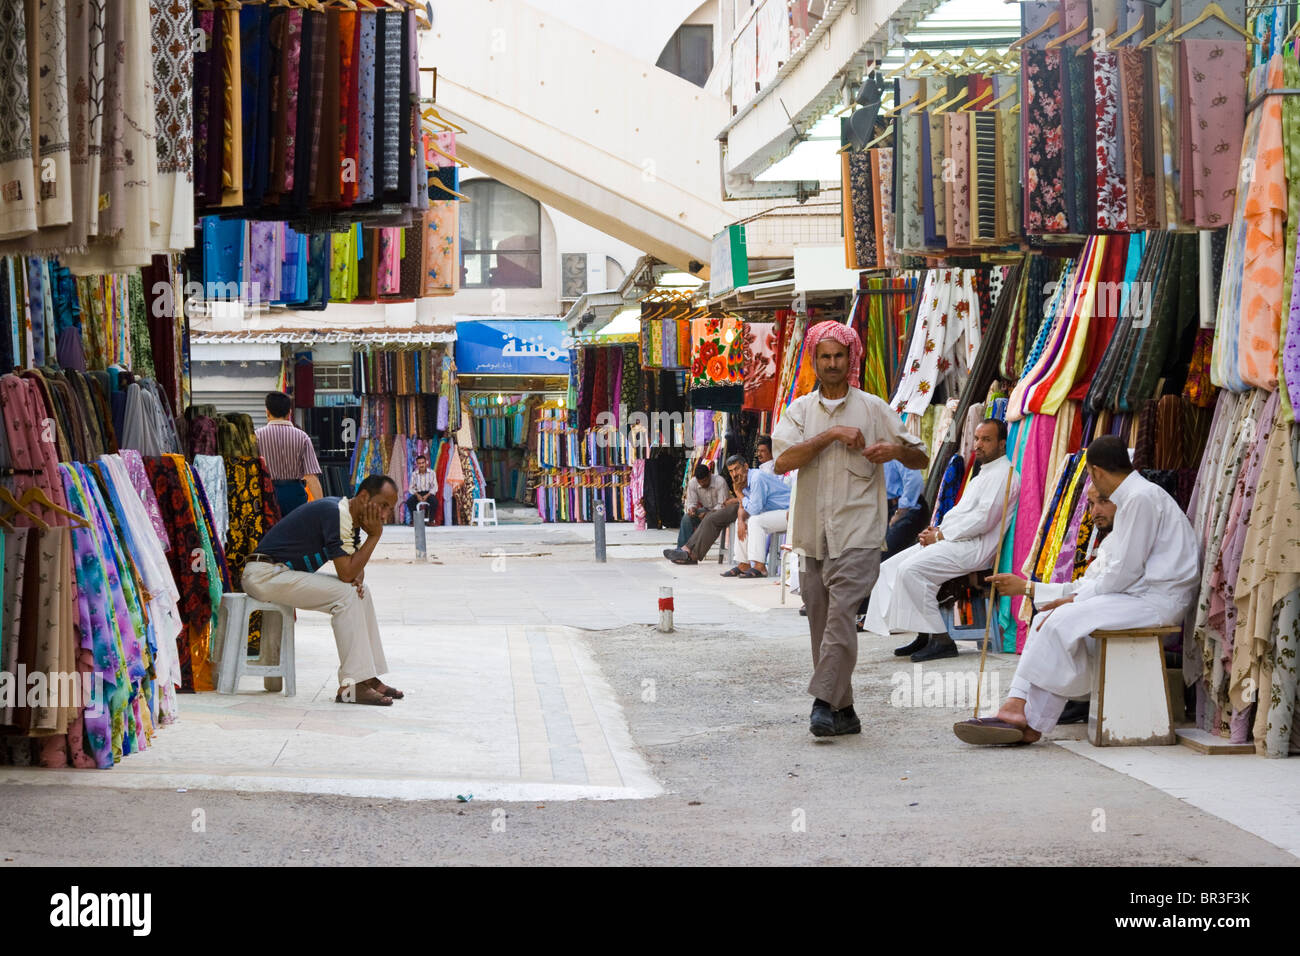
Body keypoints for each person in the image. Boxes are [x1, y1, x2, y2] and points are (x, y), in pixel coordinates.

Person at [954, 437, 1200, 745]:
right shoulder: (1138, 498)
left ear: (1095, 471)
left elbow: (1125, 571)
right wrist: (1070, 598)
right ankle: (1024, 717)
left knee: (1059, 620)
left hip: (1157, 601)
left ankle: (1020, 710)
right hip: (1140, 595)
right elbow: (1119, 572)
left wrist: (1074, 600)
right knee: (1052, 619)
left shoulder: (1140, 498)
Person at [771, 321, 928, 737]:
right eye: (825, 357)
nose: (833, 363)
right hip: (811, 534)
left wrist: (895, 450)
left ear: (851, 358)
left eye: (840, 356)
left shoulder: (874, 408)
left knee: (841, 616)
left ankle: (823, 704)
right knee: (822, 625)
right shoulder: (800, 411)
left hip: (859, 533)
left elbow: (921, 457)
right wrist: (832, 435)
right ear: (814, 361)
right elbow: (783, 460)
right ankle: (846, 711)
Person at [863, 419, 1021, 662]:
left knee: (910, 571)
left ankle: (941, 639)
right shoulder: (984, 473)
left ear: (1002, 444)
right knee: (888, 568)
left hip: (975, 548)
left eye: (986, 440)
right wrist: (936, 531)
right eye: (977, 439)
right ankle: (924, 634)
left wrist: (940, 535)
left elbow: (983, 521)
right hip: (955, 540)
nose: (978, 444)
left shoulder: (1004, 475)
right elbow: (962, 515)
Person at [241, 475, 405, 707]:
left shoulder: (349, 519)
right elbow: (347, 573)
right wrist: (375, 537)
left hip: (280, 574)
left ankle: (366, 677)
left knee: (362, 591)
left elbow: (356, 572)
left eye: (390, 509)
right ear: (364, 497)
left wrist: (357, 570)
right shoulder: (335, 512)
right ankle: (351, 685)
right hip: (264, 574)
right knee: (347, 595)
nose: (385, 516)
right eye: (383, 505)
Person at [722, 454, 791, 578]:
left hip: (789, 512)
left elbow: (754, 509)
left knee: (754, 521)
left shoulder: (756, 478)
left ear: (746, 466)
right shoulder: (741, 480)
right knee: (742, 521)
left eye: (737, 469)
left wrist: (738, 493)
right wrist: (741, 520)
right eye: (731, 471)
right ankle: (744, 564)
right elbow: (743, 507)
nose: (734, 474)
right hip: (775, 513)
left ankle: (760, 567)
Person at [256, 391, 323, 517]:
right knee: (295, 533)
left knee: (271, 534)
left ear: (267, 412)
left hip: (266, 494)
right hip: (295, 495)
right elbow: (311, 476)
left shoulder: (257, 437)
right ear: (289, 413)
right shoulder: (302, 437)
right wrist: (322, 507)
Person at [678, 462, 728, 548]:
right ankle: (682, 549)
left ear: (709, 475)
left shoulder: (720, 481)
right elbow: (691, 502)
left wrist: (709, 514)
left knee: (708, 518)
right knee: (687, 518)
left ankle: (692, 551)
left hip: (722, 512)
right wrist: (692, 509)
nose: (702, 484)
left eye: (704, 481)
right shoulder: (693, 483)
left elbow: (723, 505)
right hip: (706, 510)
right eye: (699, 482)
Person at [406, 454, 438, 524]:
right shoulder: (414, 474)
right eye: (419, 463)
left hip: (428, 493)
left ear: (426, 462)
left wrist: (427, 495)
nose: (421, 465)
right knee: (409, 502)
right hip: (418, 493)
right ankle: (414, 520)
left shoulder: (432, 473)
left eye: (423, 463)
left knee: (434, 501)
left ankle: (431, 521)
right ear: (417, 464)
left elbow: (435, 487)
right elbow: (411, 488)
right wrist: (417, 495)